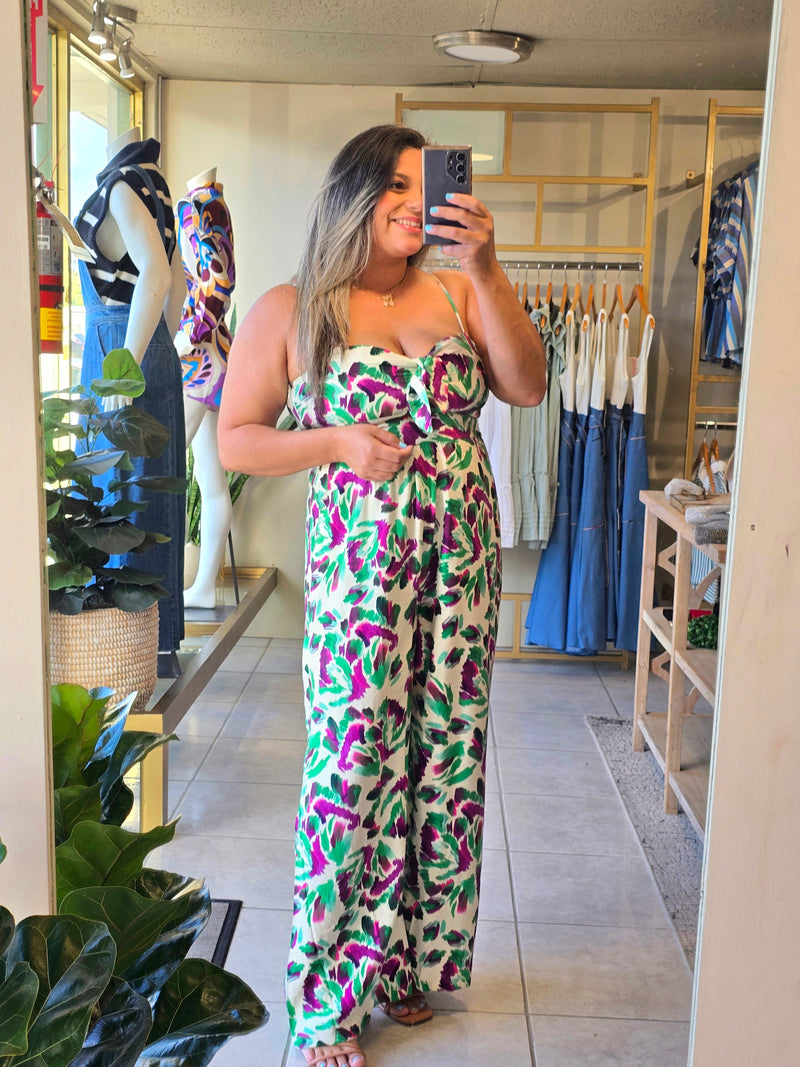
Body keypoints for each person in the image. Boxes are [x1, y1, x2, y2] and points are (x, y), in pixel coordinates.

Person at [217, 124, 546, 1067]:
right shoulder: (294, 307)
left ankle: (405, 960)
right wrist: (336, 442)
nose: (414, 202)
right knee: (353, 762)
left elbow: (526, 386)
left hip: (462, 565)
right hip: (362, 574)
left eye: (423, 184)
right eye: (394, 185)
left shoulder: (458, 289)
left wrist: (485, 266)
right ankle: (326, 996)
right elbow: (239, 436)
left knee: (444, 757)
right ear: (354, 193)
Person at [74, 126, 186, 670]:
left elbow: (158, 277)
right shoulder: (156, 185)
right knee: (152, 495)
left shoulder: (121, 184)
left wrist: (124, 370)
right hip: (151, 344)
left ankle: (120, 651)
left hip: (120, 345)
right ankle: (157, 644)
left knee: (119, 495)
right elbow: (176, 285)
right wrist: (161, 346)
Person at [174, 166, 236, 608]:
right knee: (208, 477)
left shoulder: (200, 206)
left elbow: (219, 284)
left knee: (169, 466)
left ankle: (173, 582)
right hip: (216, 354)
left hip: (198, 359)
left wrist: (189, 335)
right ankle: (204, 587)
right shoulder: (216, 204)